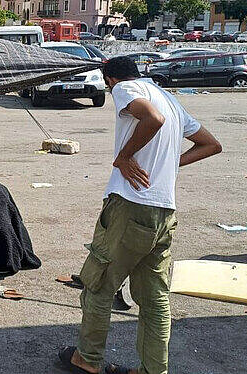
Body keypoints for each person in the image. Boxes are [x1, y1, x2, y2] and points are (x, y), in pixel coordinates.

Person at [59, 56, 222, 374]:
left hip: (130, 206)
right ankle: (153, 370)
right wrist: (168, 164)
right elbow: (211, 145)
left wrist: (124, 156)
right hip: (163, 213)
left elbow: (152, 119)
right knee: (154, 298)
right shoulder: (169, 99)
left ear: (109, 80)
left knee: (98, 285)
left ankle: (87, 360)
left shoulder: (125, 88)